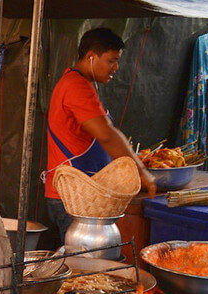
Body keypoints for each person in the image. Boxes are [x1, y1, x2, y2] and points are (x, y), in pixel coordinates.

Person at [43, 28, 156, 239]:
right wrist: (141, 172)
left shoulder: (81, 83)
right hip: (72, 196)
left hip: (82, 193)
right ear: (91, 57)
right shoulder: (76, 86)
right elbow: (106, 135)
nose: (116, 67)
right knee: (84, 264)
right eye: (112, 60)